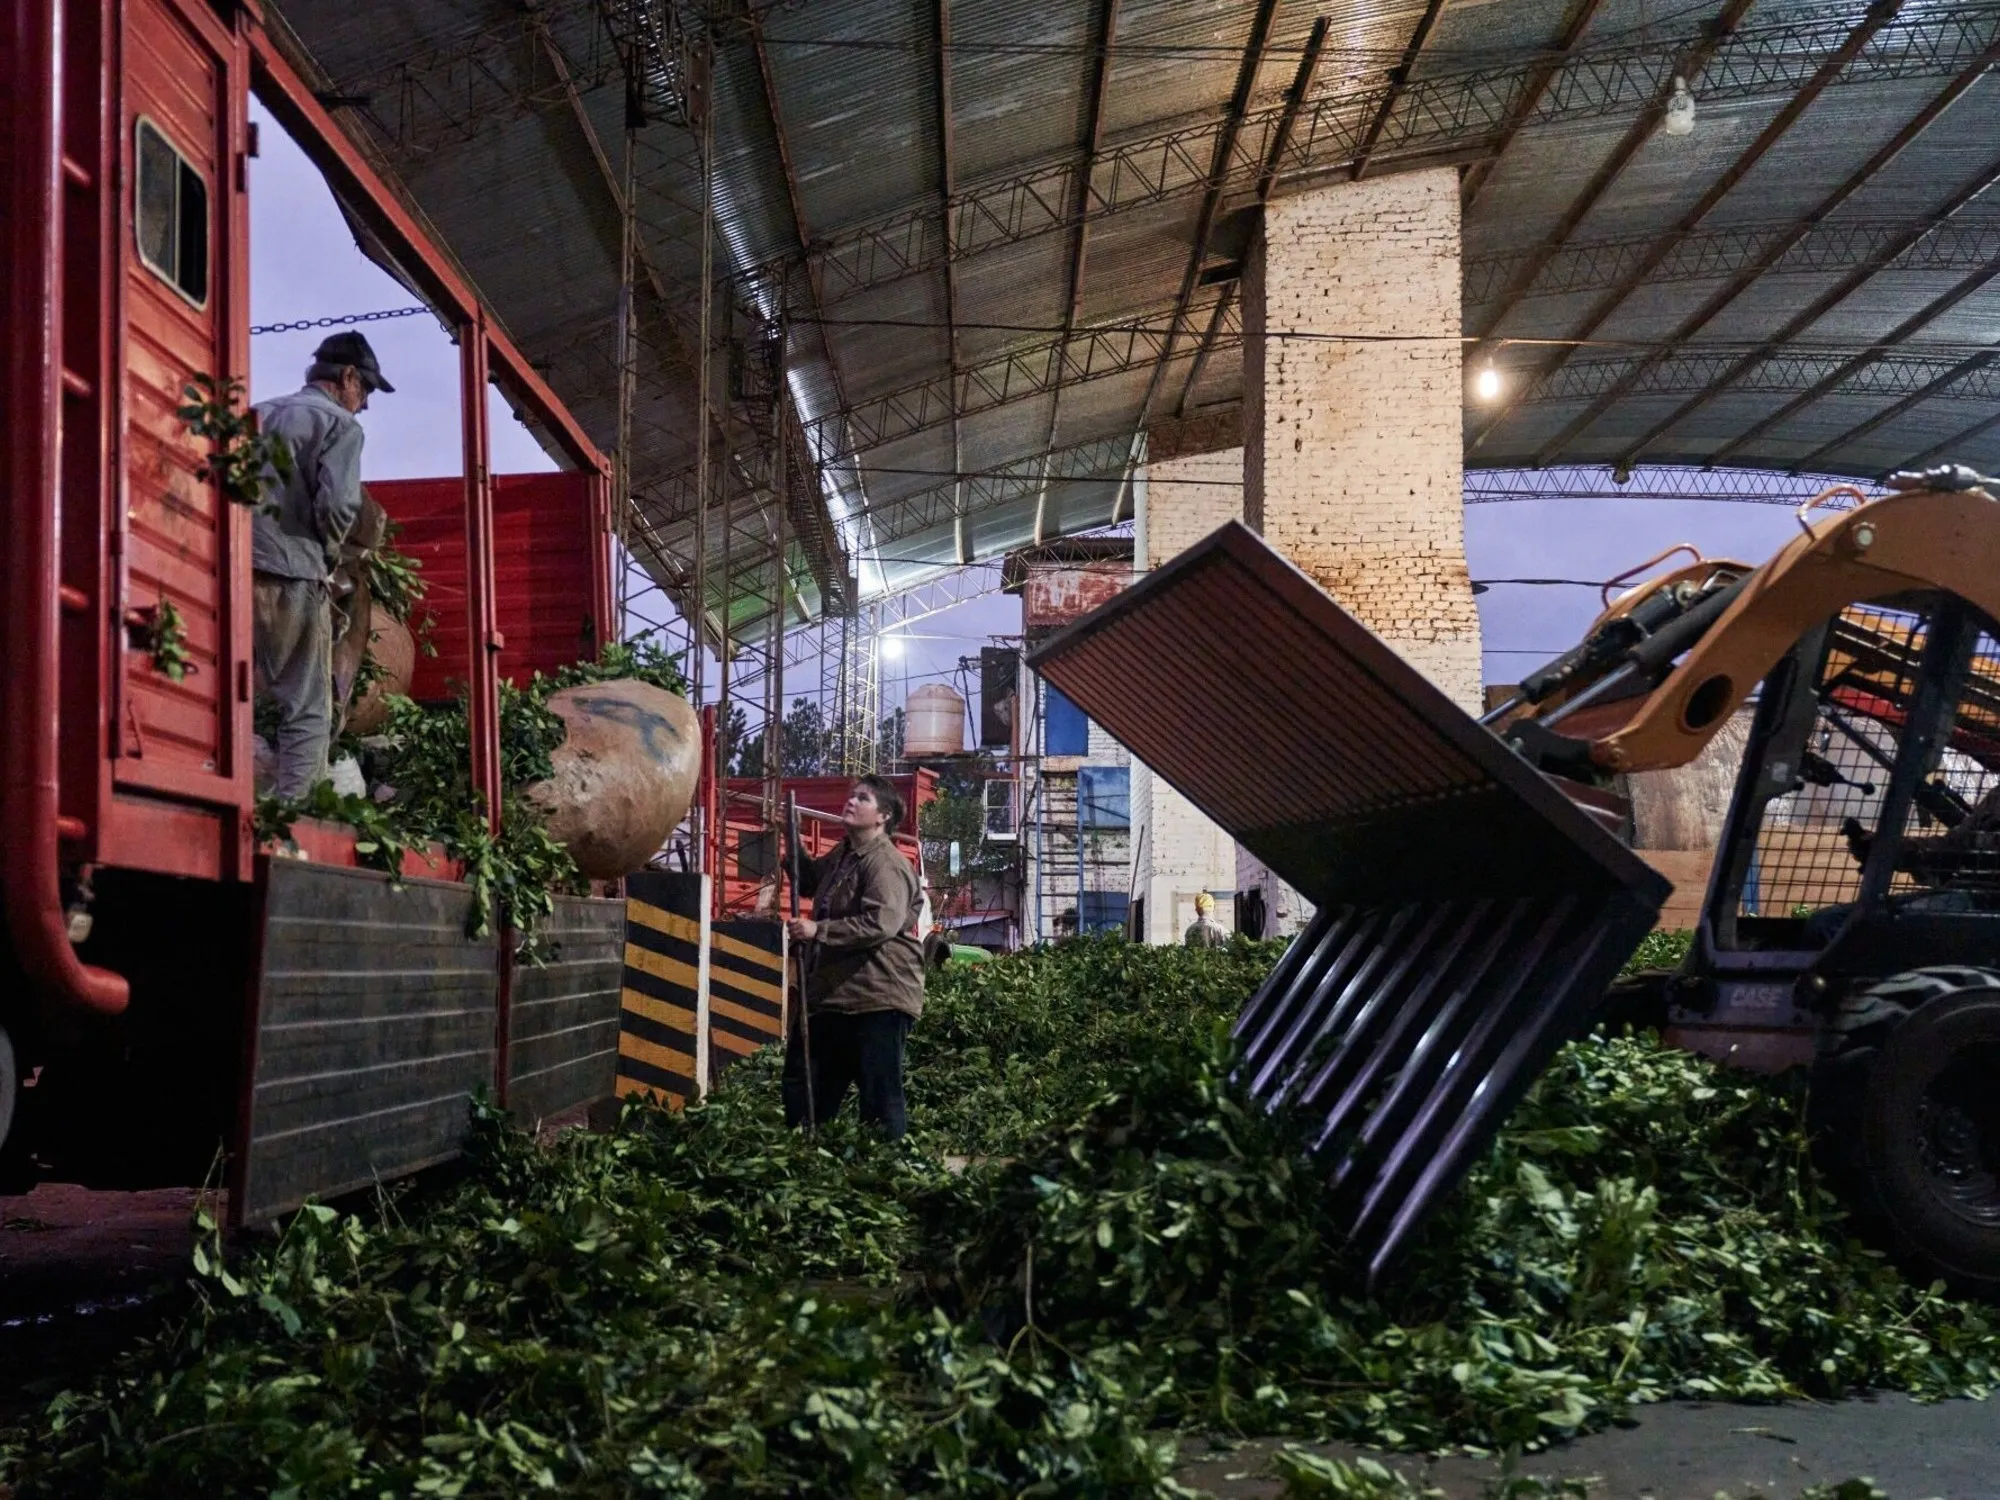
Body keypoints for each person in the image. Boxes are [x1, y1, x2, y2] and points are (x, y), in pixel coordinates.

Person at [250, 330, 393, 799]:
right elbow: (337, 508)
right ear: (347, 377)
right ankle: (292, 817)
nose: (365, 403)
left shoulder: (260, 414)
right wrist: (331, 560)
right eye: (366, 389)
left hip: (232, 574)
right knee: (308, 705)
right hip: (293, 575)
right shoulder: (340, 426)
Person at [783, 776, 926, 1139]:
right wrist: (792, 838)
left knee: (878, 1097)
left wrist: (819, 931)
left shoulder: (885, 864)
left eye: (862, 799)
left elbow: (880, 922)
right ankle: (805, 1155)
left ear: (883, 816)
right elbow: (812, 880)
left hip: (876, 997)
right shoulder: (845, 852)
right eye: (852, 796)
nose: (851, 802)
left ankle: (882, 1169)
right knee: (806, 1082)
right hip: (837, 995)